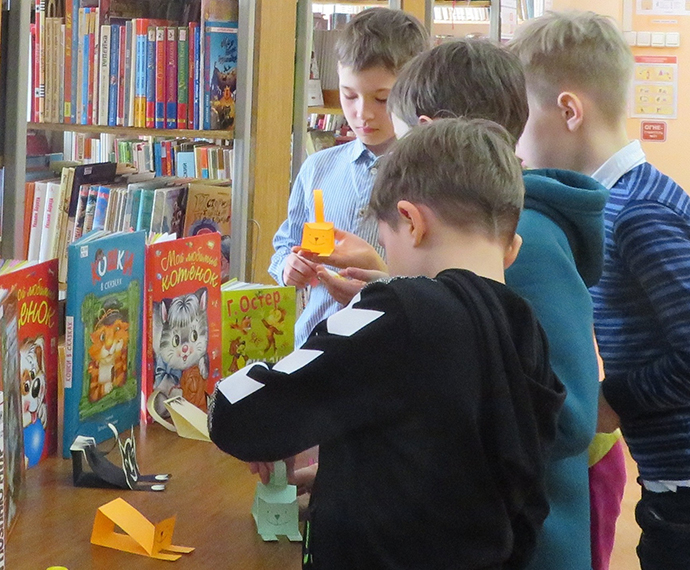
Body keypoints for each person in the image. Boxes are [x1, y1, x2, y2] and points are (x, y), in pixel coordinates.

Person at [304, 39, 609, 570]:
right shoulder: (492, 236)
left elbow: (570, 416)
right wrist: (395, 288)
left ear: (432, 134)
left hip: (524, 542)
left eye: (401, 141)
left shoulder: (522, 243)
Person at [209, 118, 566, 569]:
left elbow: (245, 414)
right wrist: (347, 475)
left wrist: (220, 395)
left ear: (412, 223)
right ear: (511, 247)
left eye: (384, 241)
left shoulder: (398, 310)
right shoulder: (524, 327)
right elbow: (489, 476)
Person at [510, 11, 690, 570]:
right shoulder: (621, 201)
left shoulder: (639, 213)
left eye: (520, 120)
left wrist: (610, 401)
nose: (515, 143)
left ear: (569, 111)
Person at [268, 7, 428, 348]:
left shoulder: (428, 178)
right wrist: (288, 267)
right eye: (349, 95)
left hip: (389, 351)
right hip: (313, 347)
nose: (362, 113)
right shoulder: (318, 168)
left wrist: (378, 286)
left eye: (382, 99)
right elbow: (286, 243)